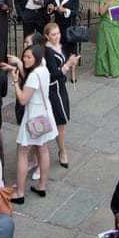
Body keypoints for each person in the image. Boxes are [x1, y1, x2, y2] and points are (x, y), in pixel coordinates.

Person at [9, 42, 56, 203]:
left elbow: (22, 99)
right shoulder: (43, 68)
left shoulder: (34, 76)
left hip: (33, 115)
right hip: (44, 112)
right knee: (43, 149)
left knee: (22, 152)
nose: (25, 59)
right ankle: (42, 185)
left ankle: (20, 193)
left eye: (29, 57)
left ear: (36, 58)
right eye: (25, 56)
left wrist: (15, 82)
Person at [43, 20, 81, 168]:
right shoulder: (48, 52)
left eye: (58, 33)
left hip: (61, 87)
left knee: (61, 121)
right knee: (59, 122)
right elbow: (54, 74)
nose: (57, 37)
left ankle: (60, 150)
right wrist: (68, 65)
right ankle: (62, 151)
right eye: (53, 34)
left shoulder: (58, 47)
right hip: (54, 89)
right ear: (47, 36)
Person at [47, 0, 82, 68]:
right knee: (59, 46)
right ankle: (60, 66)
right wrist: (50, 8)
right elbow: (50, 9)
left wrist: (65, 10)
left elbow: (76, 11)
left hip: (69, 26)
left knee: (71, 48)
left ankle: (73, 71)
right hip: (58, 25)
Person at [96, 0, 119, 76]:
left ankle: (114, 71)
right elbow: (101, 12)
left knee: (114, 48)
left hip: (114, 26)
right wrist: (107, 3)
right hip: (104, 26)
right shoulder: (102, 0)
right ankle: (104, 70)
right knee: (103, 48)